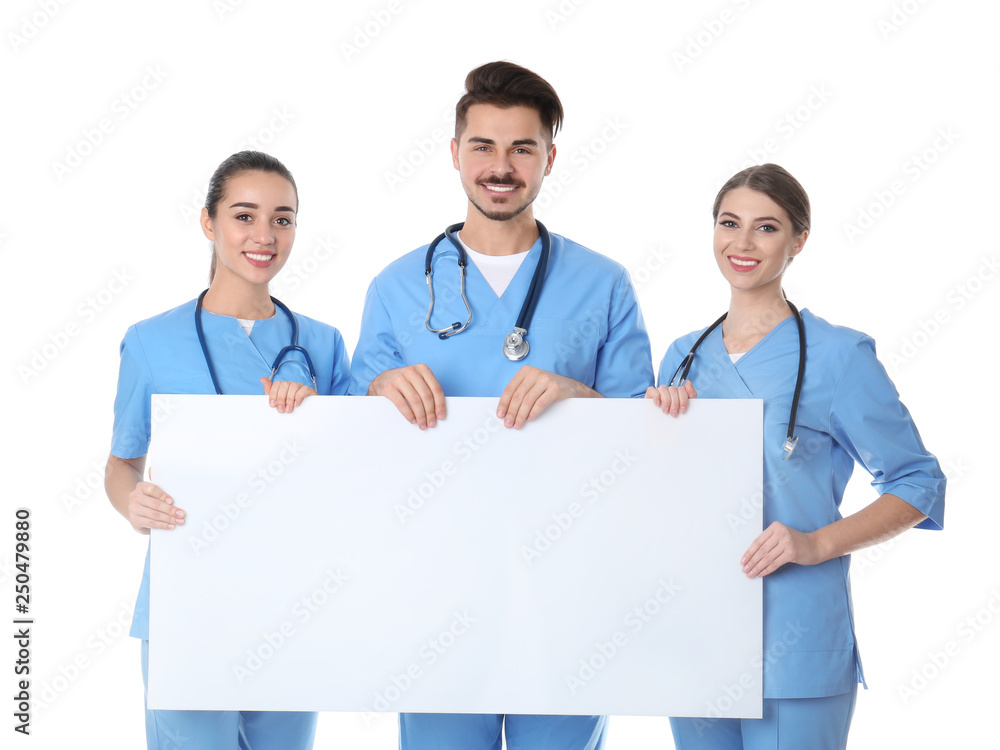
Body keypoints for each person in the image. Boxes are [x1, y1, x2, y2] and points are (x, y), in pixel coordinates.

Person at [351, 61, 654, 750]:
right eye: (483, 146)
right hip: (434, 593)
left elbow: (648, 439)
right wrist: (374, 392)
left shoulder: (603, 284)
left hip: (566, 590)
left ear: (550, 158)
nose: (501, 165)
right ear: (455, 154)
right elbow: (347, 452)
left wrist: (582, 396)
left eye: (522, 147)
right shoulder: (398, 286)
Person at [647, 163, 946, 749]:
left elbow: (918, 482)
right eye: (729, 223)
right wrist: (655, 435)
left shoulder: (839, 356)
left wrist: (815, 543)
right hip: (697, 636)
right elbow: (660, 498)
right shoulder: (681, 357)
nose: (742, 242)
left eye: (766, 228)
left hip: (797, 642)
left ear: (798, 241)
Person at [104, 150, 351, 748]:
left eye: (283, 219)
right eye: (245, 215)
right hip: (186, 605)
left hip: (293, 604)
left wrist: (317, 418)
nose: (264, 236)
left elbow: (356, 469)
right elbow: (122, 462)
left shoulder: (321, 343)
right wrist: (132, 502)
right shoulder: (150, 341)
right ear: (209, 223)